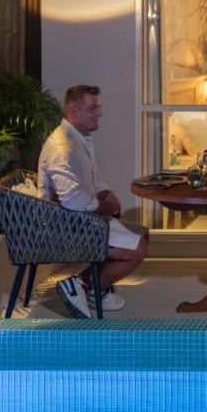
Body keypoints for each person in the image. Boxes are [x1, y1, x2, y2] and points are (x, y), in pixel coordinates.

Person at [38, 85, 149, 318]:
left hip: (83, 219)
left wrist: (106, 193)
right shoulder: (62, 147)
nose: (99, 113)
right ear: (73, 111)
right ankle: (81, 285)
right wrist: (102, 206)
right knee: (138, 248)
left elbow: (92, 179)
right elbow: (71, 199)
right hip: (66, 226)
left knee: (142, 234)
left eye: (99, 108)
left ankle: (95, 288)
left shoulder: (78, 139)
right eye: (92, 109)